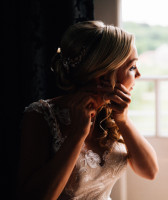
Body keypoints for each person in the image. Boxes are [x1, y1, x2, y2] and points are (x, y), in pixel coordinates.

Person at [17, 20, 159, 200]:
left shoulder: (112, 112)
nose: (138, 74)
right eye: (131, 67)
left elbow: (150, 171)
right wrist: (77, 134)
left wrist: (123, 119)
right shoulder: (40, 116)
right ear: (103, 74)